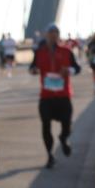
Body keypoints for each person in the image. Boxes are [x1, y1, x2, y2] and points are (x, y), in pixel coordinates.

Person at [29, 24, 82, 168]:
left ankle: (63, 139)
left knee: (67, 126)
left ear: (59, 35)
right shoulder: (39, 52)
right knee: (45, 126)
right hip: (46, 97)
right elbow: (32, 67)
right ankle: (50, 155)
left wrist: (69, 70)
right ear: (46, 35)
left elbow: (77, 68)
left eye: (56, 33)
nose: (53, 35)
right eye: (51, 33)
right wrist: (34, 70)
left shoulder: (66, 51)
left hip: (63, 96)